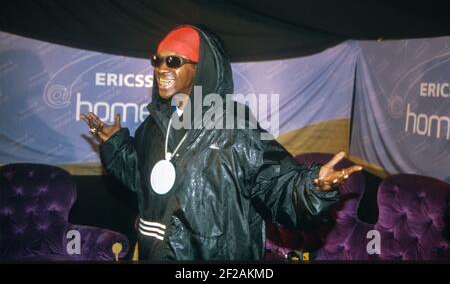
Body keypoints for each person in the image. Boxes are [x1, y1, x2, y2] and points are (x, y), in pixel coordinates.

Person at [80, 25, 362, 260]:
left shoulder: (236, 124)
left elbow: (276, 182)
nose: (162, 69)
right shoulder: (155, 123)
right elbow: (139, 176)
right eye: (157, 60)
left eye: (174, 61)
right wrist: (115, 142)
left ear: (200, 68)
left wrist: (312, 188)